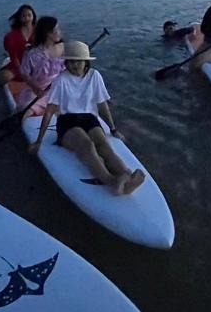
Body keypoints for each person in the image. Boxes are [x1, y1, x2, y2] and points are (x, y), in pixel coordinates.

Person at [28, 41, 145, 196]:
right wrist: (38, 140)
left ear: (86, 62)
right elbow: (49, 111)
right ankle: (111, 181)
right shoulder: (61, 80)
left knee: (103, 144)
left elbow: (102, 105)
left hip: (89, 119)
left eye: (78, 61)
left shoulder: (94, 76)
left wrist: (113, 129)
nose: (74, 65)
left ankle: (127, 175)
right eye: (70, 61)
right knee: (87, 144)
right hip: (67, 121)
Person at [17, 16, 65, 117]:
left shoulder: (62, 47)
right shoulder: (32, 53)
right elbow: (25, 74)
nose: (60, 32)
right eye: (57, 30)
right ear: (48, 33)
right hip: (38, 90)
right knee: (27, 110)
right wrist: (37, 88)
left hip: (58, 88)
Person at [0, 4, 37, 85]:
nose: (27, 18)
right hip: (18, 65)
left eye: (29, 15)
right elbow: (13, 57)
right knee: (5, 76)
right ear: (19, 18)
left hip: (37, 64)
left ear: (33, 16)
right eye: (23, 16)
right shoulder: (11, 36)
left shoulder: (40, 31)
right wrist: (22, 71)